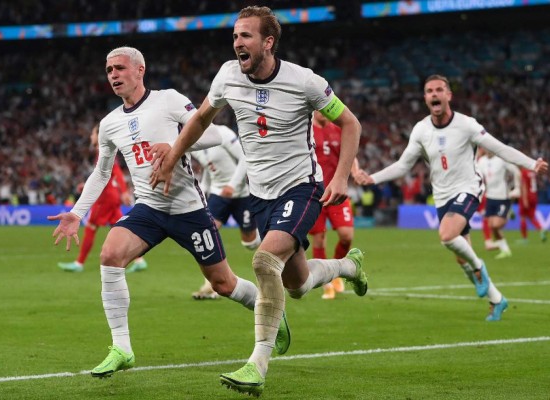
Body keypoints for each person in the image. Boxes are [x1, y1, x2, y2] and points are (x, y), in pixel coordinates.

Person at [150, 6, 368, 396]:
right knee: (297, 284)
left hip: (302, 187)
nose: (237, 43)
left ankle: (258, 364)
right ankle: (347, 266)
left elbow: (350, 122)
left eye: (246, 36)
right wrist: (171, 157)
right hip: (261, 194)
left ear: (268, 42)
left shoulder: (306, 82)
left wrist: (339, 177)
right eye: (235, 36)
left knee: (263, 261)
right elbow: (201, 118)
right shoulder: (228, 75)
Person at [47, 46, 290, 379]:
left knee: (223, 283)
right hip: (148, 208)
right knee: (110, 255)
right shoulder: (109, 123)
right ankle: (122, 348)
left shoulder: (169, 100)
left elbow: (216, 135)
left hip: (189, 209)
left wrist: (176, 146)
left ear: (140, 70)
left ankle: (270, 306)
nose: (114, 75)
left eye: (119, 68)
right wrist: (77, 212)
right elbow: (102, 172)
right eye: (108, 71)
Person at [356, 74, 548, 322]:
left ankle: (480, 269)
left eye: (439, 90)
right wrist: (373, 178)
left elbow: (500, 147)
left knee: (447, 235)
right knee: (460, 255)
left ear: (448, 95)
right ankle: (498, 300)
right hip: (442, 195)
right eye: (429, 91)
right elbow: (403, 165)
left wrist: (531, 164)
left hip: (469, 188)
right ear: (425, 98)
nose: (434, 94)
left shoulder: (467, 125)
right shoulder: (421, 130)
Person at [57, 123, 148, 273]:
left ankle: (79, 263)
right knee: (122, 228)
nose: (91, 136)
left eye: (93, 134)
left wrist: (124, 191)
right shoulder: (104, 151)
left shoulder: (103, 151)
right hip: (112, 196)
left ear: (98, 136)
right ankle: (139, 260)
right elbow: (103, 175)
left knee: (91, 227)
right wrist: (86, 185)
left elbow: (116, 170)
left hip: (105, 197)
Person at [190, 124, 261, 300]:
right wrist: (204, 191)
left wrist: (233, 185)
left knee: (250, 243)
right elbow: (208, 168)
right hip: (218, 194)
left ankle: (275, 260)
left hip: (241, 193)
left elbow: (245, 158)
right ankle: (211, 284)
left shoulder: (222, 133)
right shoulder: (194, 142)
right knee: (209, 233)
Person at [309, 110, 363, 300]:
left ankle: (338, 271)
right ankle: (327, 284)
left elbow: (350, 154)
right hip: (314, 194)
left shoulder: (338, 129)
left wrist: (355, 172)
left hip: (337, 192)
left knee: (346, 236)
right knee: (319, 239)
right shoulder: (306, 130)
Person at [476, 148, 521, 259]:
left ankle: (508, 212)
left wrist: (517, 188)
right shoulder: (481, 161)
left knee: (496, 225)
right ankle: (505, 250)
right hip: (490, 197)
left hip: (503, 197)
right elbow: (477, 175)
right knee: (492, 226)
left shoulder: (501, 159)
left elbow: (517, 172)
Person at [517, 166, 547, 243]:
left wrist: (524, 199)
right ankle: (541, 229)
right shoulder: (532, 172)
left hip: (526, 196)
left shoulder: (523, 172)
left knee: (523, 217)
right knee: (531, 217)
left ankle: (524, 238)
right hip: (534, 196)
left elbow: (524, 186)